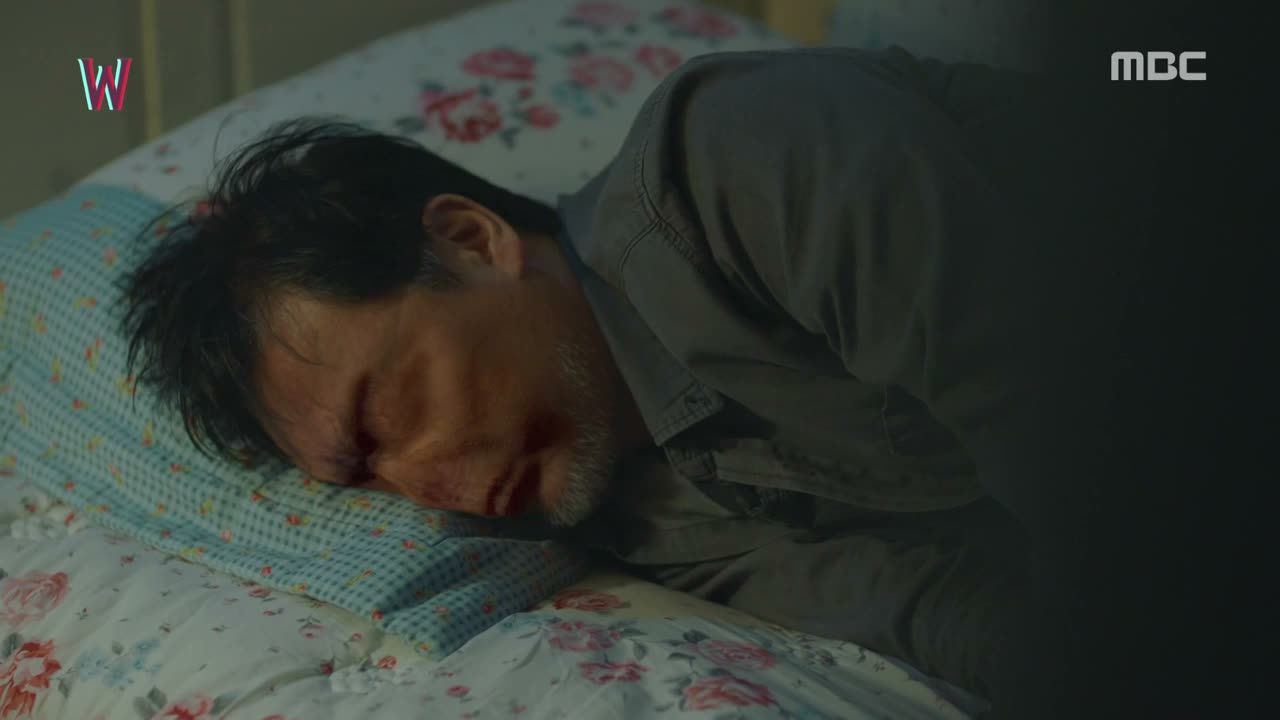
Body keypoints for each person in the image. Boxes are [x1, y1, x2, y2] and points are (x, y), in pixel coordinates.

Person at [119, 47, 1166, 717]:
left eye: (385, 416)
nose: (427, 489)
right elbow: (946, 610)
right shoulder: (632, 516)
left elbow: (1101, 463)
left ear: (472, 240)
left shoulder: (733, 168)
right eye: (369, 478)